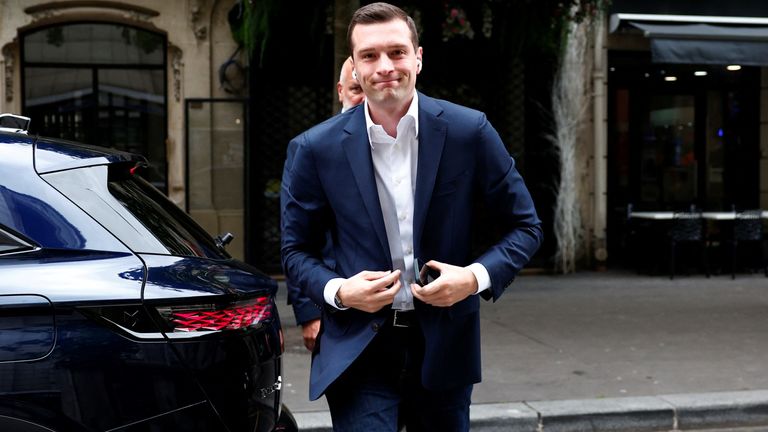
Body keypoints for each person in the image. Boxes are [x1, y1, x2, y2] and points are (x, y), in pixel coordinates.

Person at [281, 2, 542, 430]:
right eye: (369, 55)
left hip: (444, 346)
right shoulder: (314, 149)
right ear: (354, 66)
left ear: (418, 58)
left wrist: (474, 278)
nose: (385, 66)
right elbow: (296, 251)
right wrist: (339, 290)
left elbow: (526, 225)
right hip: (358, 349)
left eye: (397, 52)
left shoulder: (468, 131)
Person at [284, 57, 365, 352]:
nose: (363, 97)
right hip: (333, 302)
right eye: (356, 88)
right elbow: (296, 237)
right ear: (340, 91)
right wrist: (309, 313)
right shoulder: (310, 148)